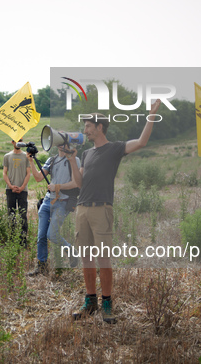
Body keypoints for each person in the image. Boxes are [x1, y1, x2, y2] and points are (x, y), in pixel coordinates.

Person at [69, 100, 162, 324]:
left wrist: (151, 114)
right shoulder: (87, 153)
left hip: (102, 210)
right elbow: (79, 183)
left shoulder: (114, 148)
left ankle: (107, 303)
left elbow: (141, 141)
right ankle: (90, 302)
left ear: (100, 127)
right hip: (82, 209)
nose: (85, 130)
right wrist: (72, 158)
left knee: (103, 259)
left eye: (88, 126)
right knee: (86, 259)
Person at [27, 144, 81, 276]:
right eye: (60, 142)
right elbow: (39, 178)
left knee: (52, 234)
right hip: (46, 202)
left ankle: (70, 250)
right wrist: (31, 161)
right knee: (41, 237)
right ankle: (42, 266)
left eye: (64, 142)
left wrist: (57, 186)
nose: (62, 145)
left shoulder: (74, 160)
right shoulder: (51, 160)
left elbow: (75, 183)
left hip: (63, 202)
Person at [3, 139, 31, 245]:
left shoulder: (26, 156)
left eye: (20, 140)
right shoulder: (7, 156)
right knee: (11, 214)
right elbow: (5, 173)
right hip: (10, 190)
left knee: (23, 214)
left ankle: (23, 240)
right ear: (12, 142)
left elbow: (28, 173)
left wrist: (22, 186)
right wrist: (10, 186)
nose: (18, 142)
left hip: (22, 190)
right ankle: (12, 240)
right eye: (16, 140)